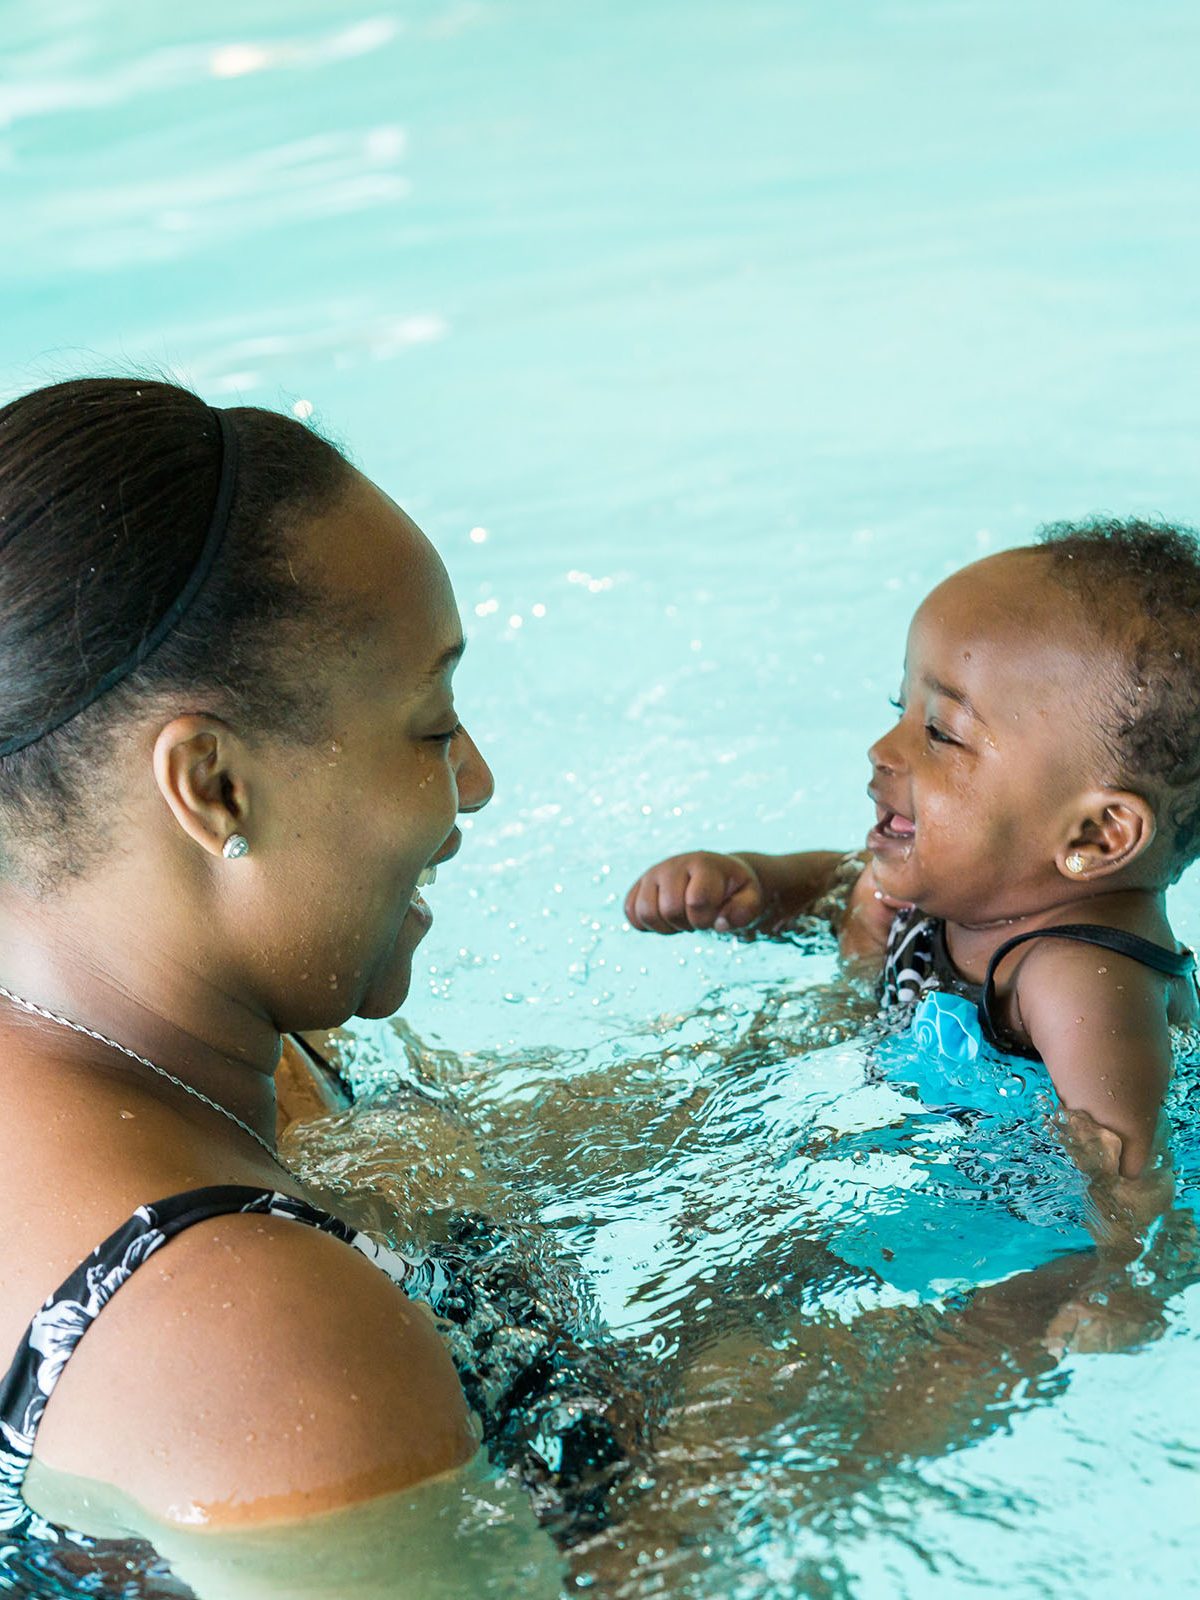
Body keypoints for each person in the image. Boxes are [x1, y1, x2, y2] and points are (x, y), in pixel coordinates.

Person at [0, 377, 496, 1541]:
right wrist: (938, 1363)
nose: (475, 780)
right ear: (213, 783)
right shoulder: (260, 1347)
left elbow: (429, 1159)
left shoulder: (145, 1038)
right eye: (430, 726)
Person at [625, 521, 1200, 1179]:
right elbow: (837, 886)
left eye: (940, 733)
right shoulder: (952, 886)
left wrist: (1104, 1282)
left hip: (1004, 1218)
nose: (883, 750)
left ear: (1095, 837)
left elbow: (1130, 1180)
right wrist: (751, 887)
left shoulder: (1081, 983)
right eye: (900, 708)